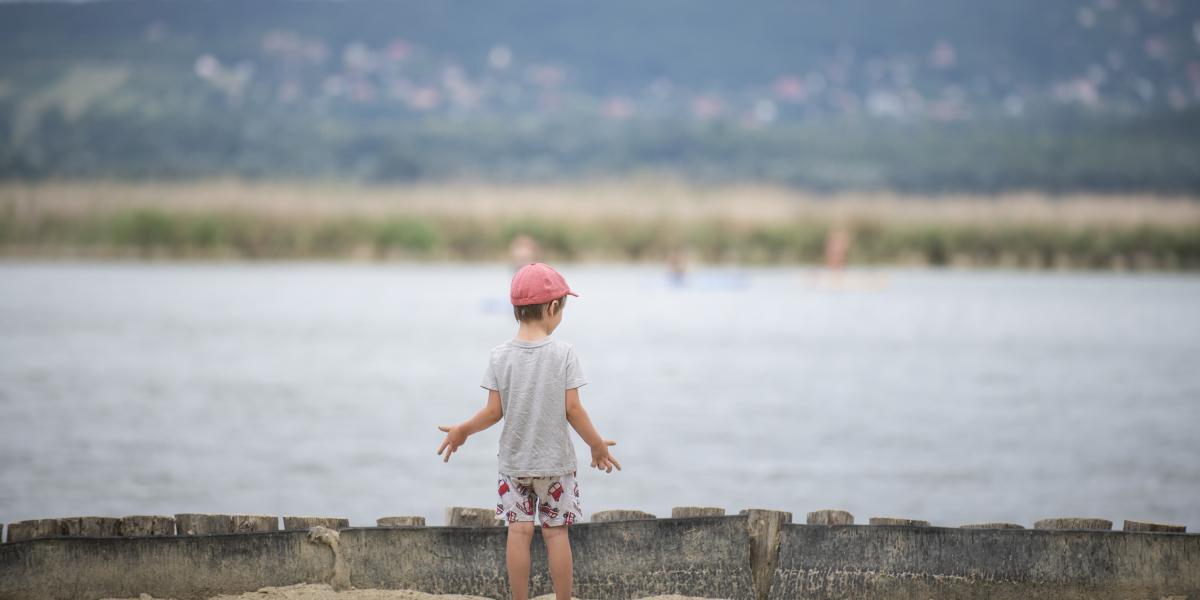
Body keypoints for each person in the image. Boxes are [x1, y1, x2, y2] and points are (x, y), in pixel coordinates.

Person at [436, 262, 621, 600]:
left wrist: (463, 430)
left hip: (514, 467)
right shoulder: (564, 354)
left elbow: (494, 411)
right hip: (557, 467)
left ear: (516, 309)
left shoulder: (499, 356)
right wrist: (596, 445)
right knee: (556, 536)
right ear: (552, 307)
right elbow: (574, 410)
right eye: (562, 308)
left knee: (518, 534)